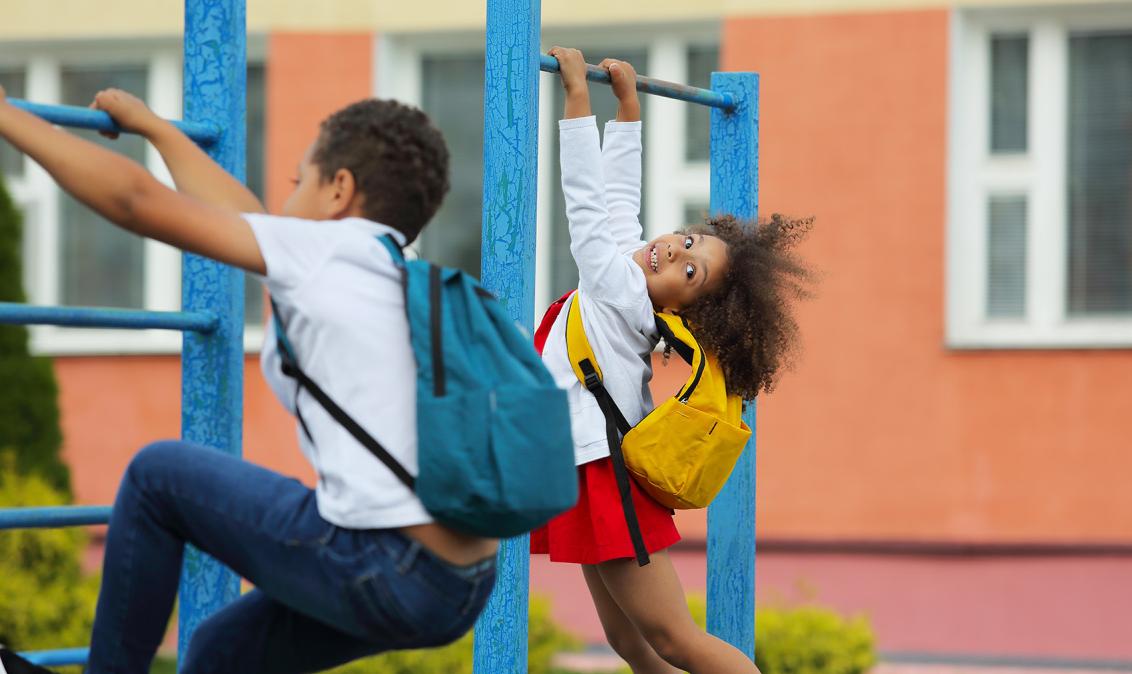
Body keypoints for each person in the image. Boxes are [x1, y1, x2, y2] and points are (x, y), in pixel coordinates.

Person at [0, 85, 497, 674]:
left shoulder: (323, 256)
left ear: (338, 189)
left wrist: (6, 115)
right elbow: (244, 215)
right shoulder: (400, 273)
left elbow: (134, 200)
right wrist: (158, 131)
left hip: (387, 564)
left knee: (158, 476)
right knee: (220, 653)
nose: (284, 201)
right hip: (459, 586)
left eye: (297, 181)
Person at [530, 47, 813, 674]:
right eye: (688, 242)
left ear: (687, 306)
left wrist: (577, 100)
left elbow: (584, 207)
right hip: (582, 463)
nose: (672, 255)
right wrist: (627, 110)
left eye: (690, 272)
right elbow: (616, 205)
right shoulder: (629, 269)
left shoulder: (619, 287)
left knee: (674, 639)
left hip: (602, 469)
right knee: (630, 643)